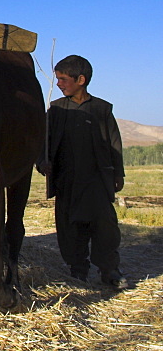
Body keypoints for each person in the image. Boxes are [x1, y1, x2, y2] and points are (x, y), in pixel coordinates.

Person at [36, 55, 125, 289]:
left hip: (97, 180)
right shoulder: (55, 110)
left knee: (105, 227)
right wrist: (42, 161)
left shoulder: (102, 109)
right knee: (70, 228)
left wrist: (118, 174)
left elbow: (115, 143)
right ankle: (78, 270)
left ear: (81, 80)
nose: (59, 84)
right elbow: (42, 143)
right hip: (67, 181)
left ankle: (110, 270)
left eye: (64, 79)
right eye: (58, 79)